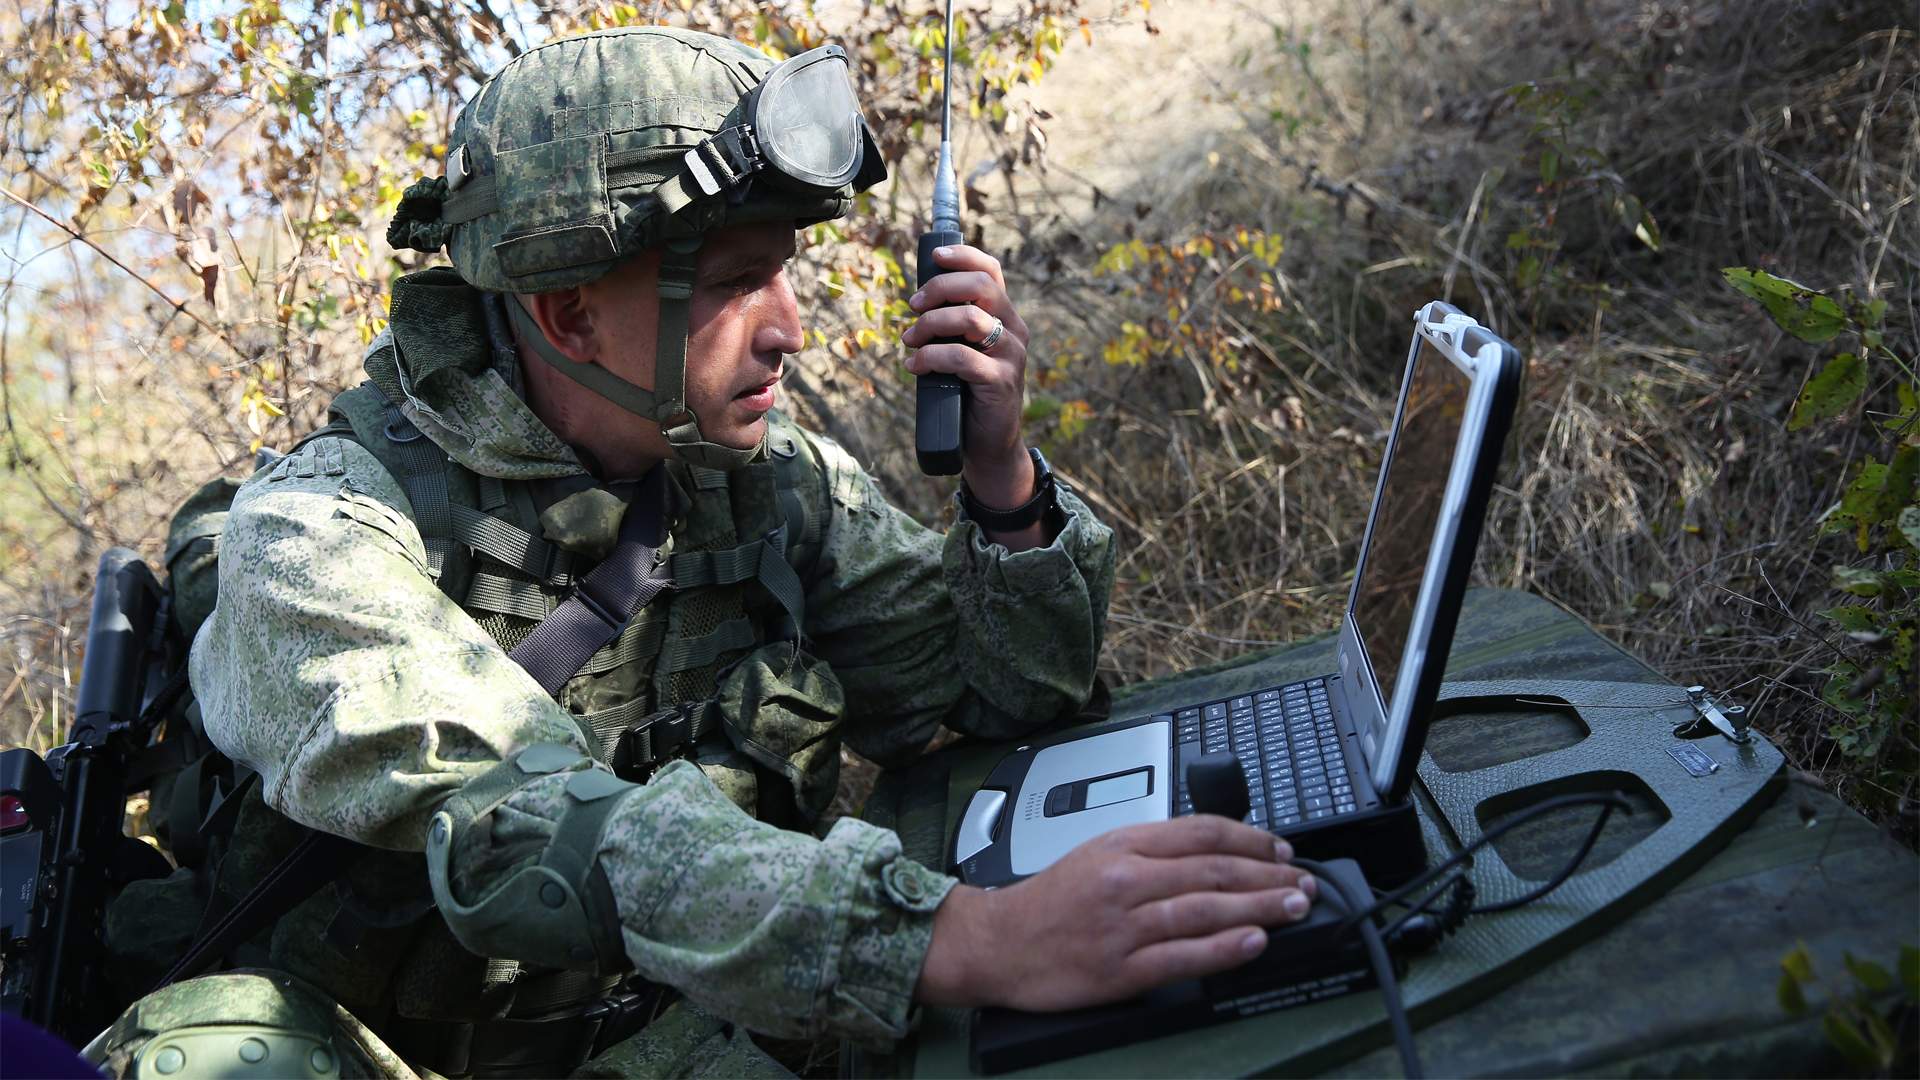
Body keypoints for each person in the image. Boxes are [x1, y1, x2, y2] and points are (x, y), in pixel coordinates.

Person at [83, 26, 1316, 1078]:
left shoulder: (756, 486)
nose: (789, 329)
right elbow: (533, 820)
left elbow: (1010, 694)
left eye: (784, 274)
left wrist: (1002, 480)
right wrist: (965, 942)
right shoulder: (320, 544)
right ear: (568, 311)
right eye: (736, 284)